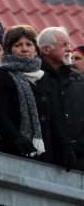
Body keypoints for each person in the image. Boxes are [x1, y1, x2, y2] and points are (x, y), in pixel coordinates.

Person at [0, 25, 52, 162]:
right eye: (18, 45)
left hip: (45, 153)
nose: (24, 49)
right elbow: (1, 115)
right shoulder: (1, 74)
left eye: (29, 44)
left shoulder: (45, 77)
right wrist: (17, 138)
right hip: (14, 150)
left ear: (36, 49)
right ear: (9, 50)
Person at [36, 27, 84, 171]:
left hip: (79, 164)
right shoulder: (35, 79)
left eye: (69, 44)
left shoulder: (77, 80)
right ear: (45, 49)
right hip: (45, 163)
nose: (70, 49)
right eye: (64, 45)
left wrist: (77, 147)